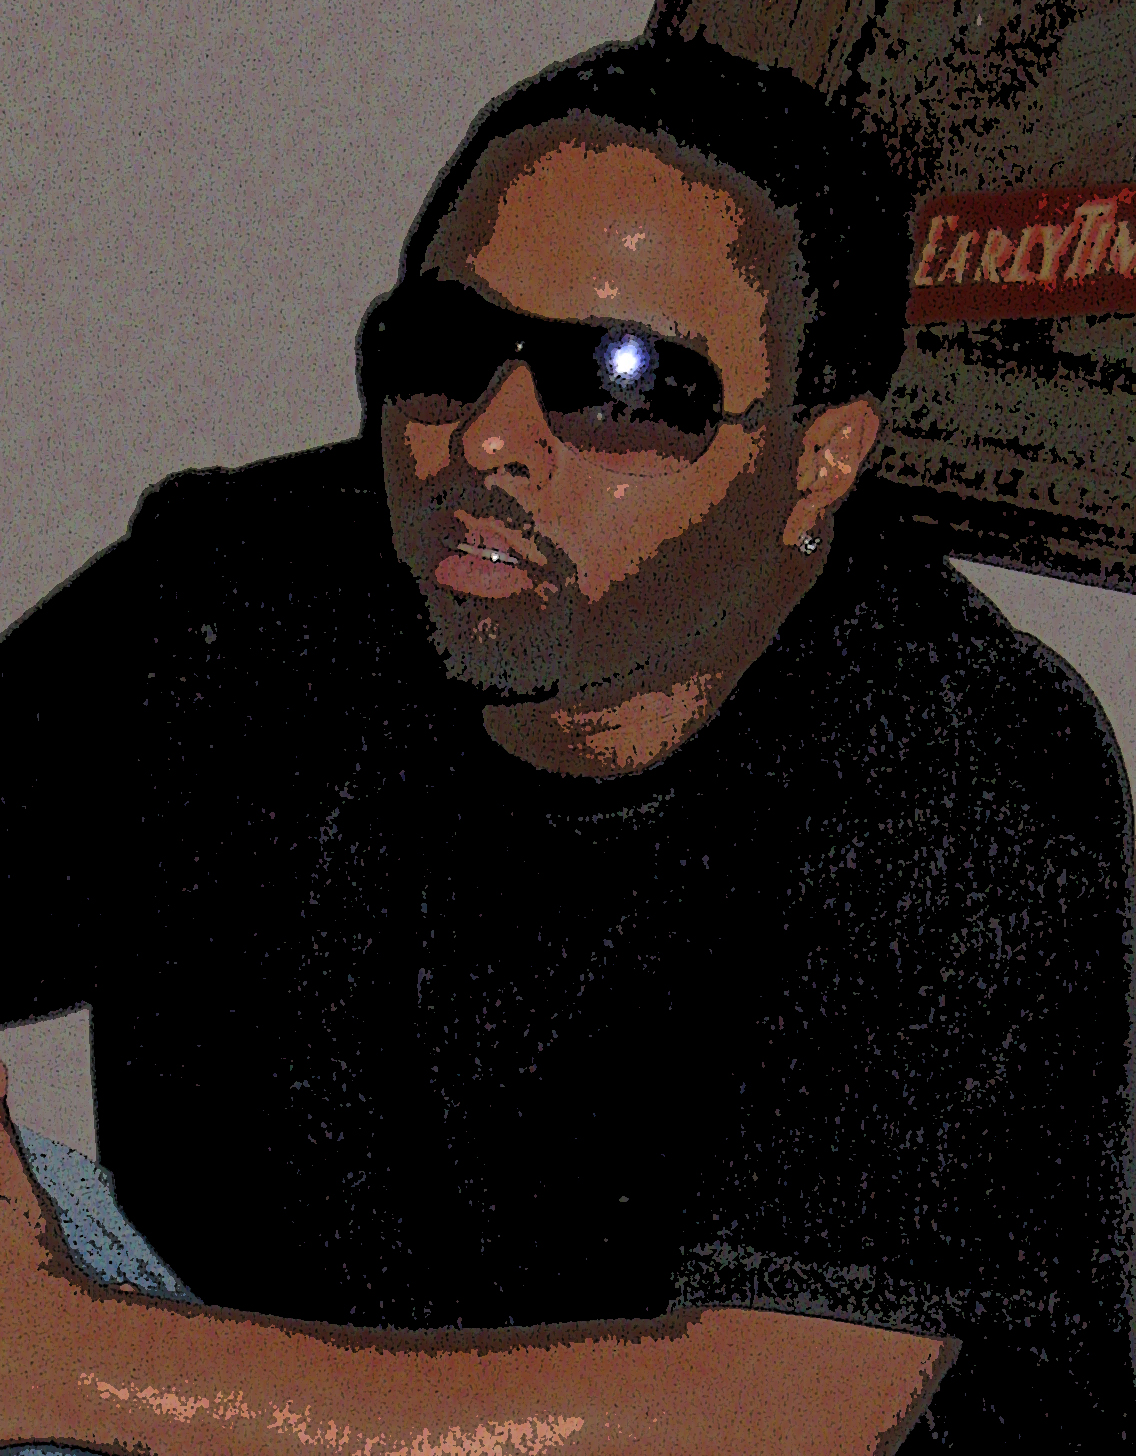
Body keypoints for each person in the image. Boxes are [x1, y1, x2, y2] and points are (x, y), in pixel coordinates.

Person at [0, 15, 1131, 1451]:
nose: (488, 438)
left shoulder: (967, 772)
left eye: (623, 384)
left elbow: (766, 1414)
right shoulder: (239, 594)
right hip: (230, 1382)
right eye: (446, 345)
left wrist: (71, 1363)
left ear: (819, 459)